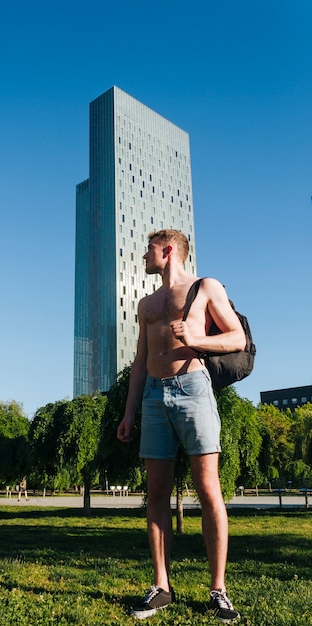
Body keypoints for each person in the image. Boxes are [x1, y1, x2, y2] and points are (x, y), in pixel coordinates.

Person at [117, 229, 245, 623]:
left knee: (208, 489)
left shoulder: (205, 287)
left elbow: (236, 337)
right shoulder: (146, 303)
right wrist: (129, 411)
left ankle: (218, 590)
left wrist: (197, 339)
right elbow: (140, 361)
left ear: (168, 250)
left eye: (149, 249)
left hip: (193, 388)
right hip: (154, 395)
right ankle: (161, 587)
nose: (143, 255)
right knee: (156, 491)